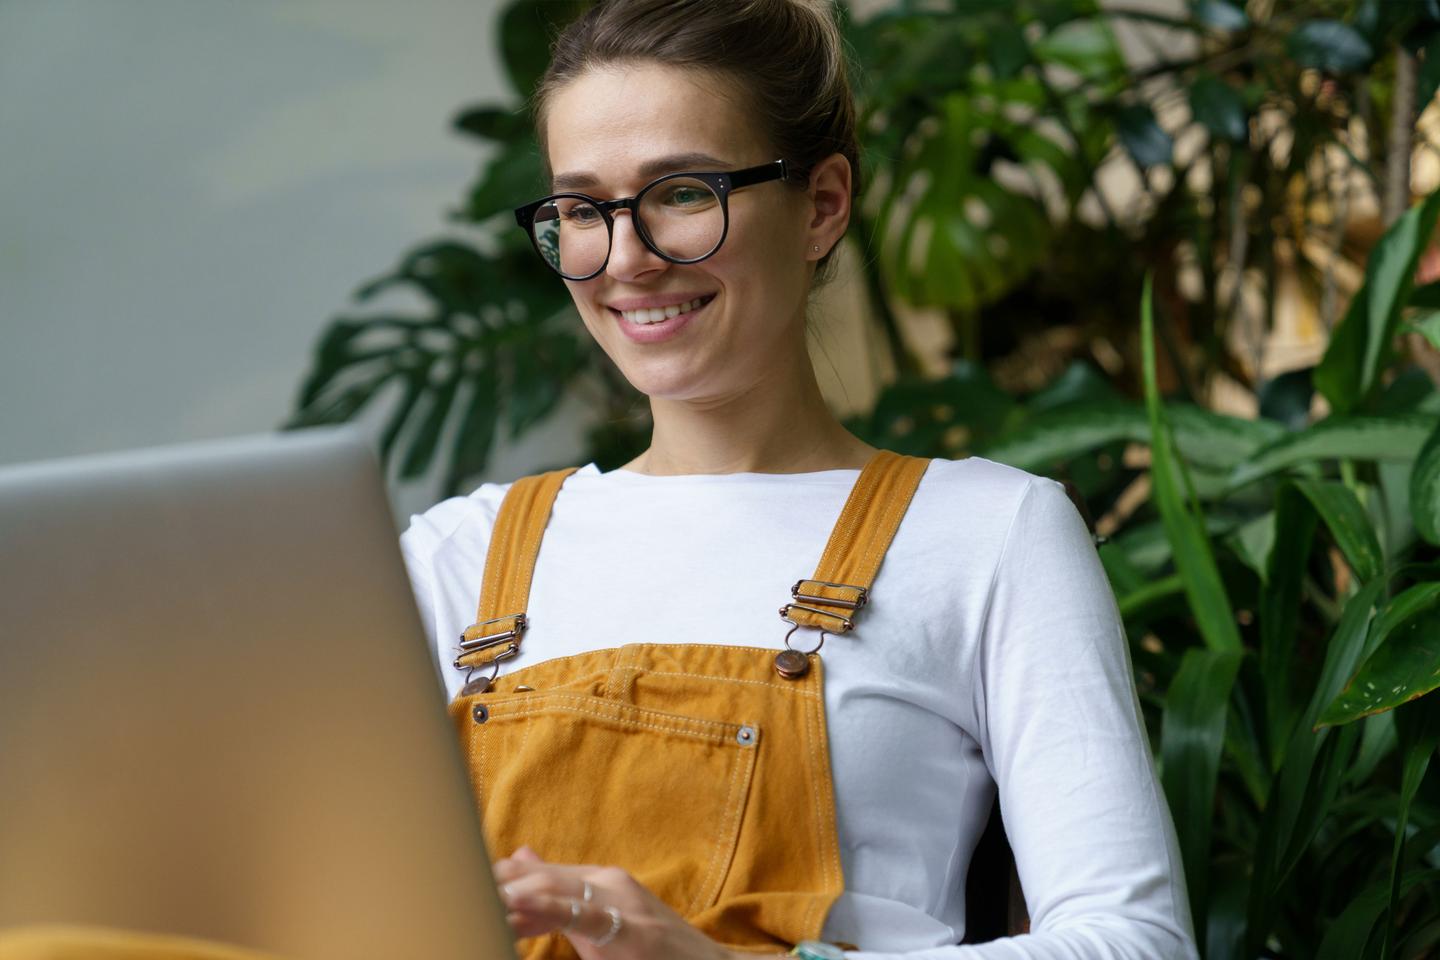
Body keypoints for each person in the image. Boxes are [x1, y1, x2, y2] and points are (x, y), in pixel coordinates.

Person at [399, 1, 1199, 958]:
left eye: (684, 193)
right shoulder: (459, 555)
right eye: (581, 209)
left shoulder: (990, 532)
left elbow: (1136, 943)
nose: (627, 258)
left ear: (821, 204)